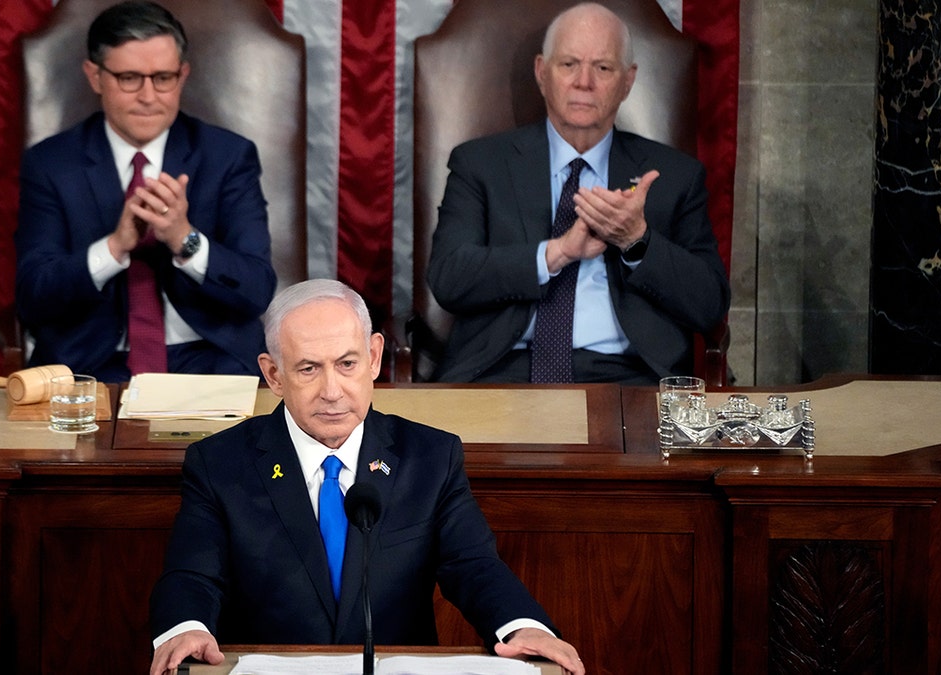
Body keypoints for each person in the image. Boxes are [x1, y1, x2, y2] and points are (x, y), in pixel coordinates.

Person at [149, 279, 585, 675]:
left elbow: (473, 566)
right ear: (273, 375)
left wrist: (522, 625)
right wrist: (185, 629)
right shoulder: (219, 463)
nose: (332, 390)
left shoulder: (430, 457)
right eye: (308, 369)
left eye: (347, 363)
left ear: (374, 357)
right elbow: (193, 574)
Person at [426, 2, 729, 385]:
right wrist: (556, 254)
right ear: (541, 72)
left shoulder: (674, 176)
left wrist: (637, 241)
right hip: (502, 371)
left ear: (627, 81)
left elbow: (709, 306)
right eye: (569, 64)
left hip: (628, 380)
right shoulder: (481, 164)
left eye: (602, 68)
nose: (584, 81)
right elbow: (449, 278)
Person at [15, 0, 276, 383]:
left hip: (210, 359)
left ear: (182, 75)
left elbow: (256, 290)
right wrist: (115, 247)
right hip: (90, 366)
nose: (149, 96)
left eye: (163, 78)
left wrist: (183, 239)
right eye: (129, 78)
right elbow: (33, 297)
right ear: (95, 76)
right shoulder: (51, 164)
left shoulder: (228, 157)